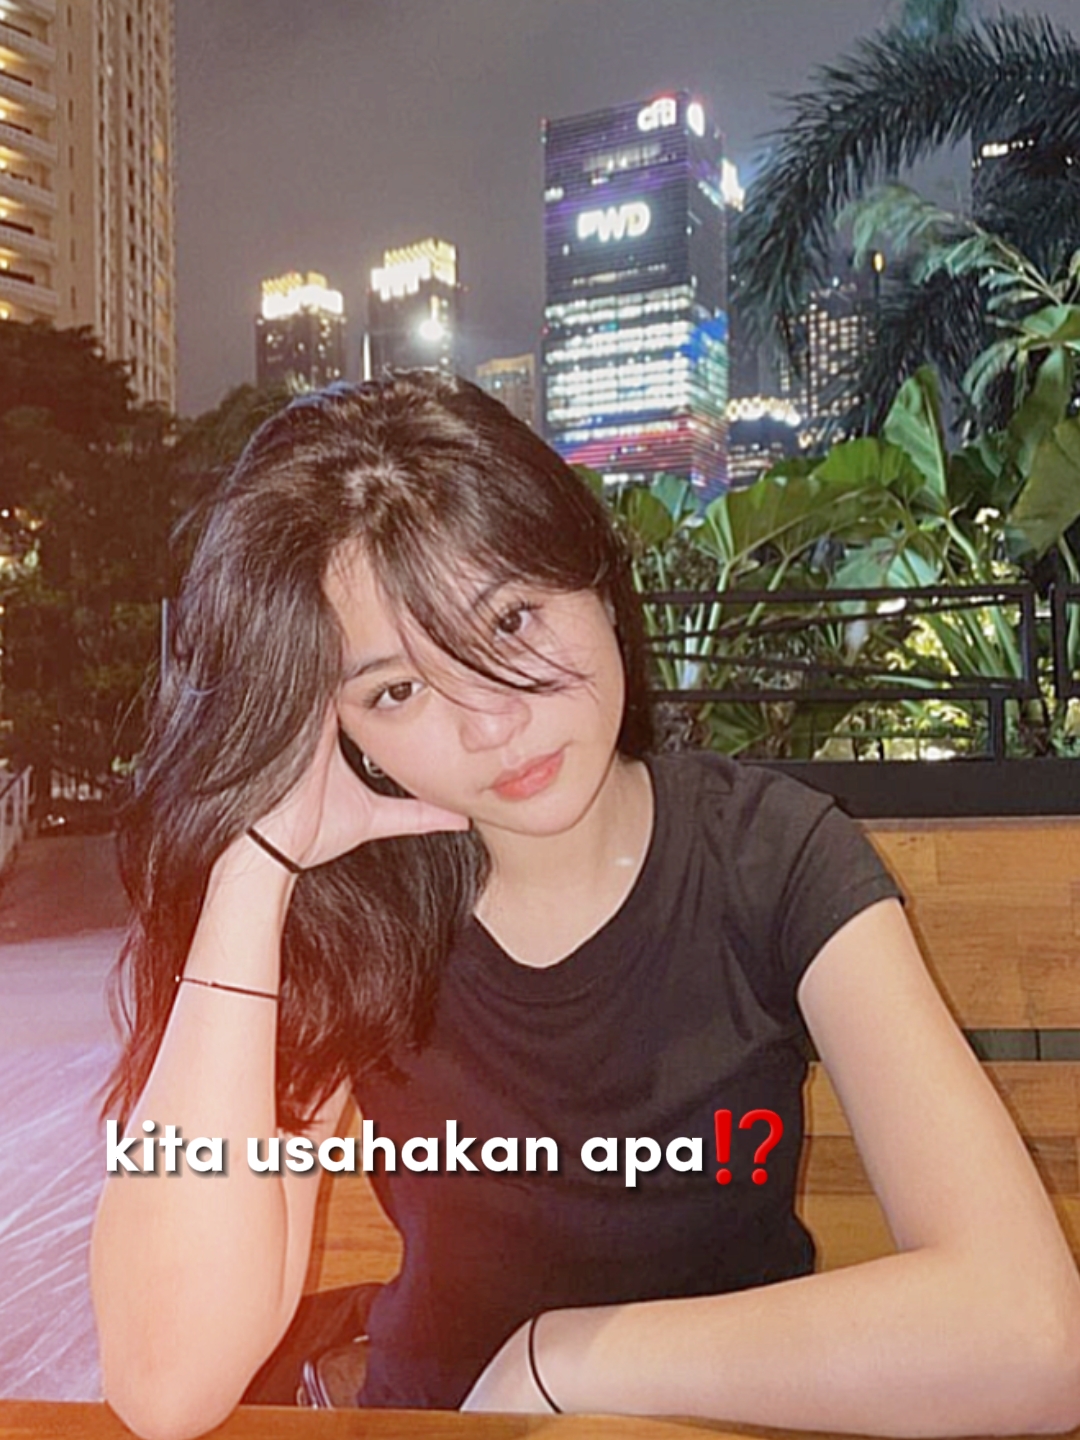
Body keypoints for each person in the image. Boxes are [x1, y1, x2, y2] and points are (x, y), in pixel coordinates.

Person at [91, 372, 1080, 1440]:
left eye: (511, 619)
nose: (489, 722)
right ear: (340, 729)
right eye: (395, 690)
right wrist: (255, 868)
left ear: (598, 581)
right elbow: (165, 1382)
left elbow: (1035, 1342)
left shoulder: (769, 858)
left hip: (716, 1424)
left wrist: (561, 1359)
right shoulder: (353, 911)